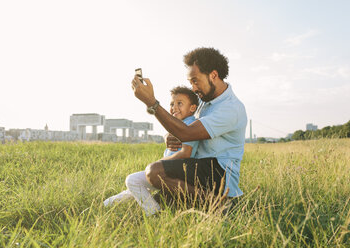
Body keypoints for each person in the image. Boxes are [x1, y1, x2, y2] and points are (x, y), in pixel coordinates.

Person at [131, 47, 247, 205]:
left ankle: (217, 203)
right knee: (159, 202)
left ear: (213, 75)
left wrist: (151, 103)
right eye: (190, 82)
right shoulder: (204, 101)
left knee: (155, 172)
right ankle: (201, 201)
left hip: (219, 171)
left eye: (195, 80)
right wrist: (170, 135)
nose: (193, 87)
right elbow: (184, 125)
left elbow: (186, 133)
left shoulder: (231, 108)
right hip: (197, 167)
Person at [104, 86, 199, 216]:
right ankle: (107, 204)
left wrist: (159, 163)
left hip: (175, 172)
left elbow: (185, 153)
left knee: (132, 180)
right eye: (172, 104)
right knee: (135, 187)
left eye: (180, 104)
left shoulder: (190, 126)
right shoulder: (177, 125)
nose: (174, 107)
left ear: (192, 108)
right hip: (169, 169)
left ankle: (154, 213)